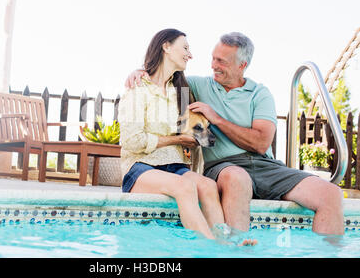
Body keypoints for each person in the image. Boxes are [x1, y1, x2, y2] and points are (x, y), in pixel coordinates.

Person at [125, 31, 344, 237]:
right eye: (213, 59)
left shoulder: (259, 94)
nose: (214, 66)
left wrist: (217, 118)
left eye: (222, 62)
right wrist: (141, 71)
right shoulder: (196, 85)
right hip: (225, 167)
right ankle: (236, 250)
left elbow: (260, 143)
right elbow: (162, 77)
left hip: (265, 165)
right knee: (236, 177)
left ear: (242, 65)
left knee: (332, 195)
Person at [118, 28, 256, 245]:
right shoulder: (138, 88)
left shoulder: (181, 91)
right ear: (166, 46)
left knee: (208, 186)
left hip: (175, 166)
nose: (190, 55)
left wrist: (200, 130)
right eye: (185, 48)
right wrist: (176, 140)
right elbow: (132, 142)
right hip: (140, 166)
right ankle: (216, 247)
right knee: (184, 187)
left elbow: (203, 139)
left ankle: (224, 240)